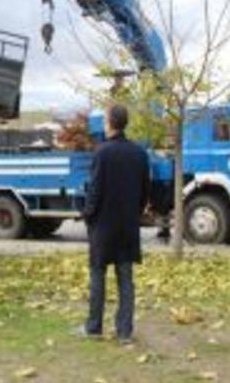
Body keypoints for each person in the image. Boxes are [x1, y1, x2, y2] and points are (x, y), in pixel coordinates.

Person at [78, 104, 150, 343]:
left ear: (109, 123)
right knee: (126, 279)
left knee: (98, 276)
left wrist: (87, 215)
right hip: (128, 226)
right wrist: (134, 213)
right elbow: (144, 192)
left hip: (103, 227)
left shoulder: (102, 152)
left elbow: (95, 191)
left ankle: (94, 327)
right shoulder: (139, 153)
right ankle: (124, 332)